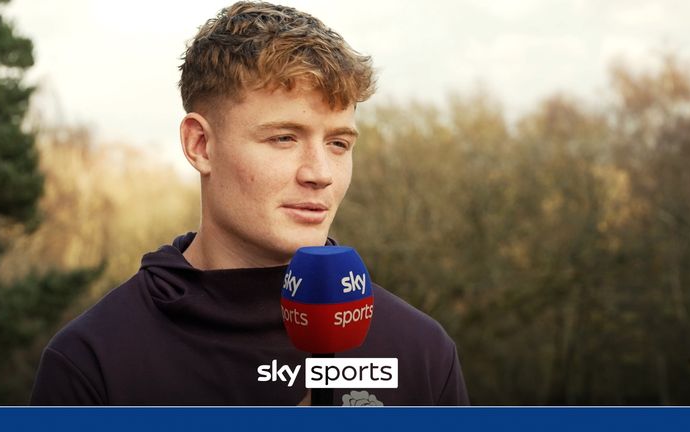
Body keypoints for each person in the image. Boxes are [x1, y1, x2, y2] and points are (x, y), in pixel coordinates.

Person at [30, 1, 469, 406]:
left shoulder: (420, 352)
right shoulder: (93, 362)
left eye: (338, 143)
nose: (320, 173)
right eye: (284, 138)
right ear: (200, 145)